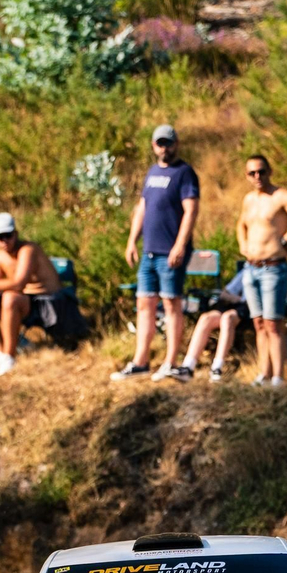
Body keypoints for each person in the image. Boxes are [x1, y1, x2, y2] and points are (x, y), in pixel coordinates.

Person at [117, 124, 200, 381]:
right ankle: (140, 361)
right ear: (153, 145)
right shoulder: (152, 173)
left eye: (168, 143)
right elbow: (142, 208)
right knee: (144, 304)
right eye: (160, 143)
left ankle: (170, 361)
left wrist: (180, 244)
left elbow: (191, 210)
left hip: (170, 253)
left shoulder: (185, 173)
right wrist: (132, 241)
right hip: (149, 252)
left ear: (176, 144)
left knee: (171, 304)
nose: (164, 148)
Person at [238, 154, 287, 387]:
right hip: (251, 269)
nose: (257, 176)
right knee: (259, 323)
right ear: (247, 176)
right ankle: (264, 373)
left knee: (274, 323)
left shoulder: (280, 196)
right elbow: (241, 223)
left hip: (273, 268)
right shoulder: (249, 199)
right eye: (252, 173)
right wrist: (243, 245)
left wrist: (286, 239)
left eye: (261, 171)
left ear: (270, 171)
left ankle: (279, 377)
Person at [0, 213, 67, 375]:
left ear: (15, 234)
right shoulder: (0, 257)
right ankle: (1, 352)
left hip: (48, 302)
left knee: (10, 297)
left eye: (8, 236)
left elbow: (19, 283)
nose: (4, 241)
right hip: (25, 303)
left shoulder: (28, 250)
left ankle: (10, 356)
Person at [177, 266, 250, 382]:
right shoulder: (247, 269)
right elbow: (227, 292)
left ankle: (217, 368)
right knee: (205, 318)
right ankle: (188, 367)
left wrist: (240, 300)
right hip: (234, 305)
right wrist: (233, 298)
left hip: (248, 308)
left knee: (227, 318)